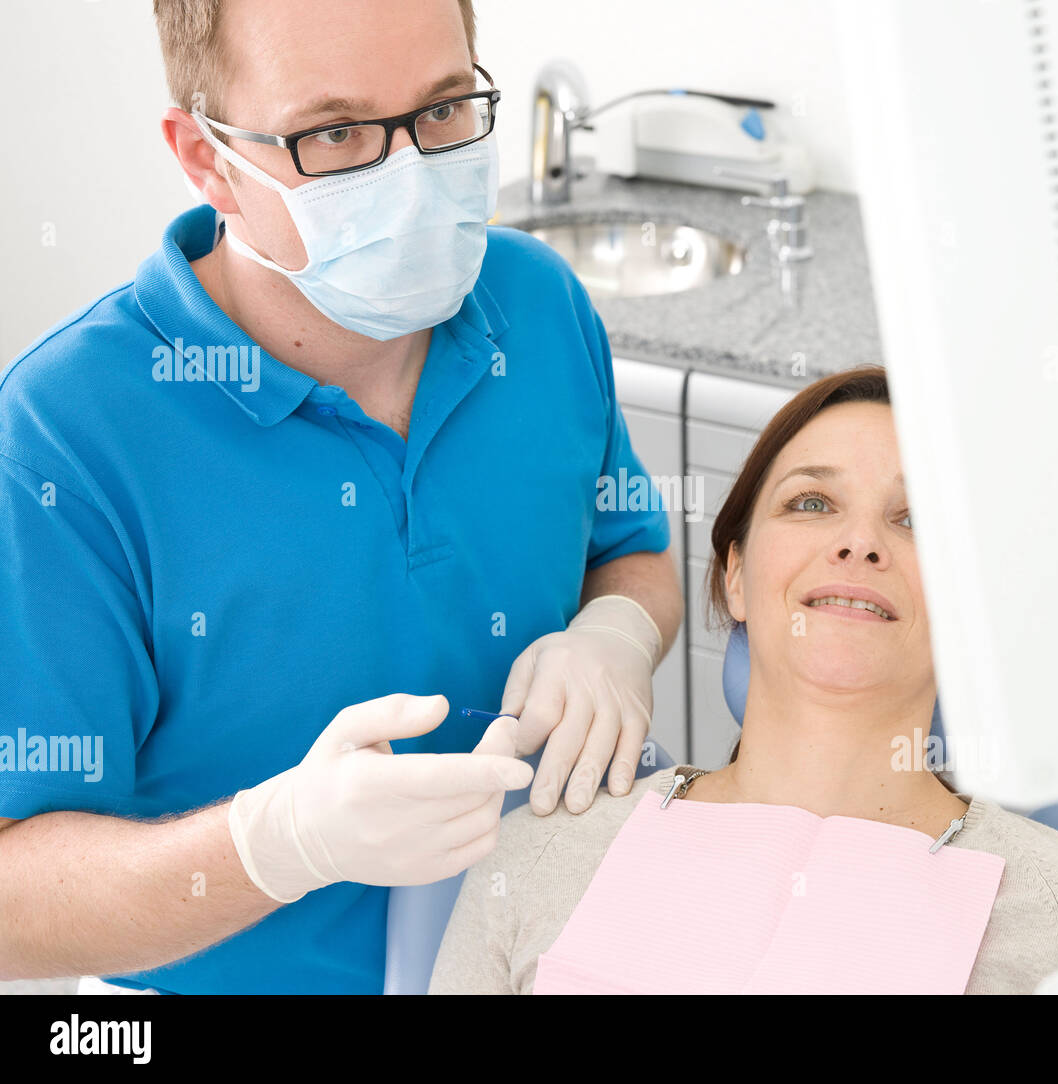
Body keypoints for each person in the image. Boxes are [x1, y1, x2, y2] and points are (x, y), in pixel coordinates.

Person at [0, 0, 682, 994]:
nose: (411, 176)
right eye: (335, 133)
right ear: (204, 158)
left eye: (445, 109)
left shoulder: (536, 303)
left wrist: (616, 635)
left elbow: (632, 551)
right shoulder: (64, 436)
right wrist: (276, 844)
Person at [427, 365, 1058, 995]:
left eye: (916, 520)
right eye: (811, 503)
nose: (859, 543)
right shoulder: (534, 858)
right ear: (737, 578)